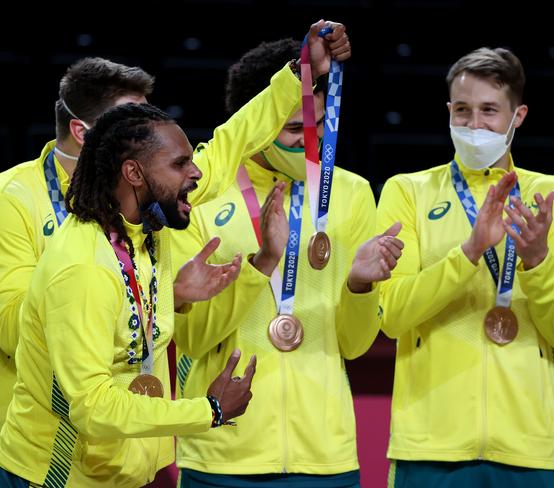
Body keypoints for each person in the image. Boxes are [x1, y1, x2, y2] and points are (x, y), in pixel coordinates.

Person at [169, 32, 404, 487]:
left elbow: (354, 346)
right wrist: (262, 265)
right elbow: (194, 340)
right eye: (295, 130)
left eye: (314, 126)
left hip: (325, 456)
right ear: (258, 122)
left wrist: (359, 286)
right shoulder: (199, 196)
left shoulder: (350, 194)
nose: (309, 141)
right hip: (222, 455)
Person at [0, 57, 156, 487]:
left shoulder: (131, 209)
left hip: (77, 455)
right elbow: (14, 334)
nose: (149, 137)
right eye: (133, 127)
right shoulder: (6, 202)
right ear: (84, 132)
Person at [0, 102, 261, 487]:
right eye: (180, 163)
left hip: (116, 471)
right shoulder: (83, 268)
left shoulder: (146, 228)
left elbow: (227, 148)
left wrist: (298, 76)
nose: (197, 172)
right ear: (133, 172)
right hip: (56, 476)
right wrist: (209, 410)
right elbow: (94, 407)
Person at [377, 47, 554, 487]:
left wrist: (537, 263)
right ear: (449, 112)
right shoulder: (408, 191)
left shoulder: (548, 198)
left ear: (519, 116)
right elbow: (394, 316)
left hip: (531, 447)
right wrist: (469, 251)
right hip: (430, 445)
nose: (475, 125)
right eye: (462, 110)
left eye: (490, 111)